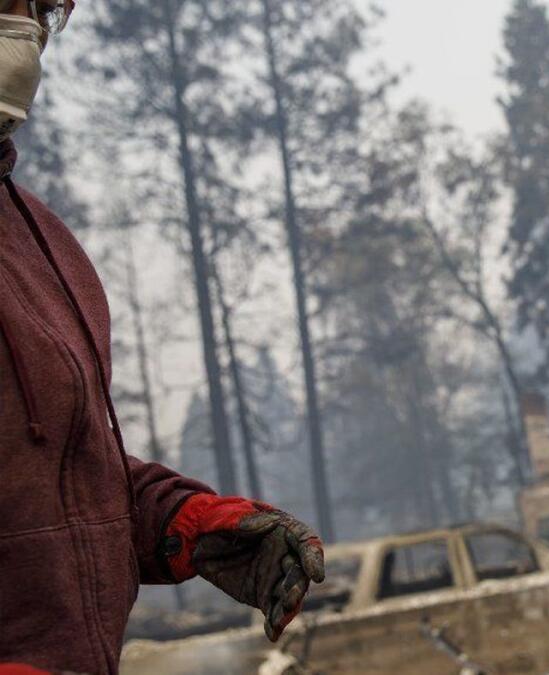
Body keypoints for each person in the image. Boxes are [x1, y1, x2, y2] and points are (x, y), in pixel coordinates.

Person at [0, 2, 324, 672]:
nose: (19, 34)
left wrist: (187, 522)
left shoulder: (44, 244)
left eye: (26, 11)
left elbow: (61, 487)